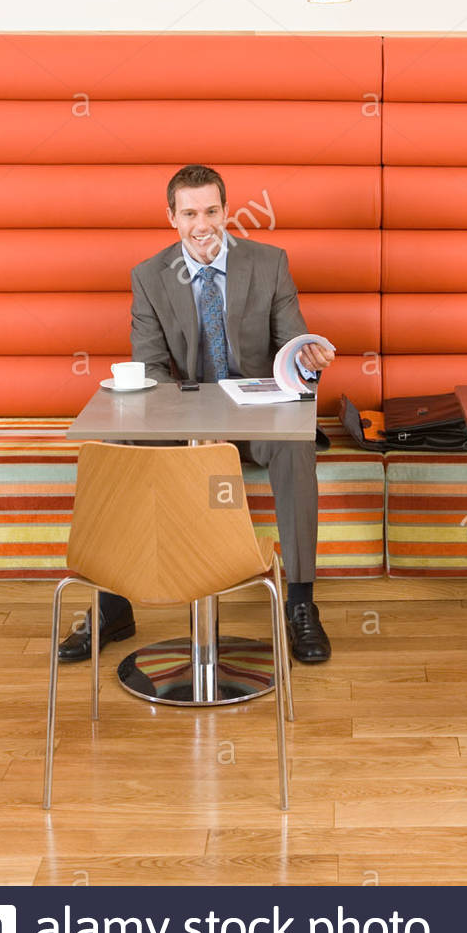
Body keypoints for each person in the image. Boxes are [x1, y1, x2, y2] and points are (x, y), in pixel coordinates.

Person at [58, 163, 335, 664]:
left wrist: (306, 359)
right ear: (171, 217)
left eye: (211, 211)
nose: (201, 224)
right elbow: (151, 369)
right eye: (189, 213)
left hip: (257, 418)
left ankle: (300, 603)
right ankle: (114, 606)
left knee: (296, 447)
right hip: (183, 418)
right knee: (118, 447)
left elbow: (291, 346)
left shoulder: (270, 264)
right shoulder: (149, 277)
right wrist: (194, 425)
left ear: (227, 212)